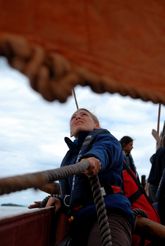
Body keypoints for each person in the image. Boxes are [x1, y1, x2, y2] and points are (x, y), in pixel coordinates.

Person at [42, 108, 134, 246]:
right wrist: (59, 199)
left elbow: (106, 149)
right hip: (79, 220)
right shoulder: (68, 157)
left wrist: (94, 159)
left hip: (109, 214)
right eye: (73, 117)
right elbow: (73, 190)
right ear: (70, 131)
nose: (77, 117)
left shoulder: (106, 138)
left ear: (96, 125)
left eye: (84, 114)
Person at [147, 135, 165, 203]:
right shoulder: (163, 152)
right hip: (158, 185)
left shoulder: (159, 151)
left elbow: (151, 159)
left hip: (152, 183)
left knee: (154, 206)